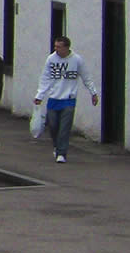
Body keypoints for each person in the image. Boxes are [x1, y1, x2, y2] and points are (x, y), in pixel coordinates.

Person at [34, 35, 99, 163]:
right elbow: (45, 78)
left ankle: (61, 153)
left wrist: (93, 93)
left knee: (65, 127)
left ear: (66, 47)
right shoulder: (51, 59)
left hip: (69, 98)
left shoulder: (77, 60)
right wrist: (39, 95)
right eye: (55, 46)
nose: (56, 49)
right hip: (53, 98)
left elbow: (86, 77)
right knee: (53, 126)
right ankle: (57, 146)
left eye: (58, 47)